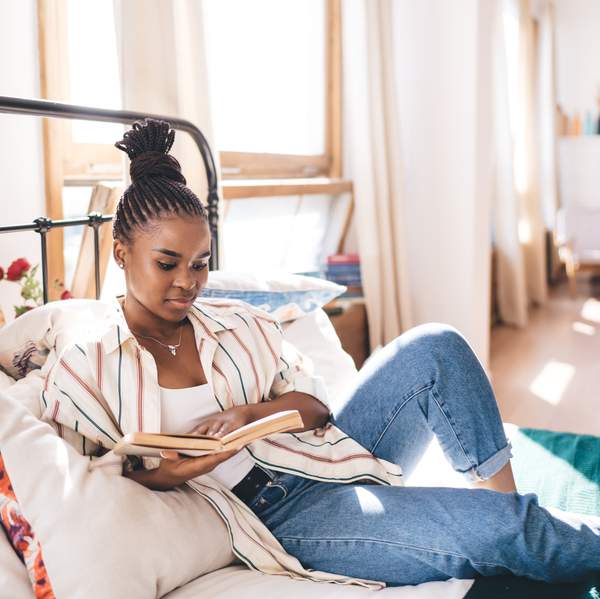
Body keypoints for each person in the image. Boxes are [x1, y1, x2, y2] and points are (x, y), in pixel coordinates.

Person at [42, 119, 600, 588]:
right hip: (284, 513)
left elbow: (314, 407)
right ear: (121, 253)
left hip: (322, 452)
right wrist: (172, 474)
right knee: (505, 531)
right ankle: (510, 525)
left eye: (200, 263)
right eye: (168, 263)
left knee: (436, 346)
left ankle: (500, 500)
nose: (189, 282)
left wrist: (248, 417)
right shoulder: (84, 367)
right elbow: (91, 494)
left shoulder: (239, 322)